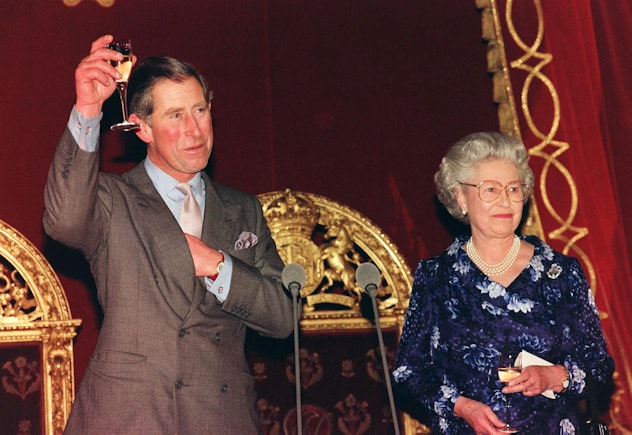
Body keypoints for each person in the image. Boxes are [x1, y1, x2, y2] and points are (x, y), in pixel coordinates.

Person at [43, 35, 294, 434]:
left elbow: (284, 317)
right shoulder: (112, 199)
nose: (195, 130)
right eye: (175, 116)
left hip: (219, 417)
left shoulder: (243, 209)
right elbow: (63, 221)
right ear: (141, 128)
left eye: (200, 110)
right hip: (129, 417)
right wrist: (88, 108)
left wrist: (218, 266)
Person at [392, 132, 614, 433]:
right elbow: (409, 374)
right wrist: (462, 407)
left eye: (513, 188)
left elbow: (599, 367)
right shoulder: (436, 277)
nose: (505, 200)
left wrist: (555, 377)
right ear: (461, 197)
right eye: (491, 189)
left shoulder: (560, 272)